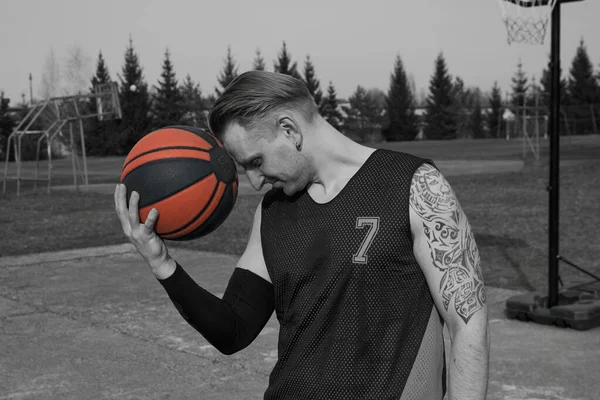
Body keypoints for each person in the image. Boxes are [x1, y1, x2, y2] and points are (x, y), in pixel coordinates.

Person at [114, 70, 490, 400]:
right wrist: (162, 263)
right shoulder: (273, 213)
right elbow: (232, 330)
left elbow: (467, 322)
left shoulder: (413, 185)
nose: (254, 182)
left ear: (289, 130)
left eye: (255, 162)